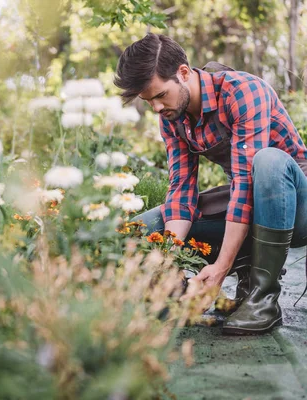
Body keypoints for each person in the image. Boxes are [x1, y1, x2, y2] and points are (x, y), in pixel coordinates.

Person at [113, 33, 307, 335]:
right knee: (142, 229)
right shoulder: (171, 114)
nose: (155, 108)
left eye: (160, 95)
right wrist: (167, 257)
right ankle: (179, 297)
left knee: (269, 161)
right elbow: (181, 190)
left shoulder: (243, 91)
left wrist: (220, 269)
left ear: (184, 73)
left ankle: (263, 299)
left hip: (294, 205)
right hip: (250, 205)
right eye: (148, 100)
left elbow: (245, 186)